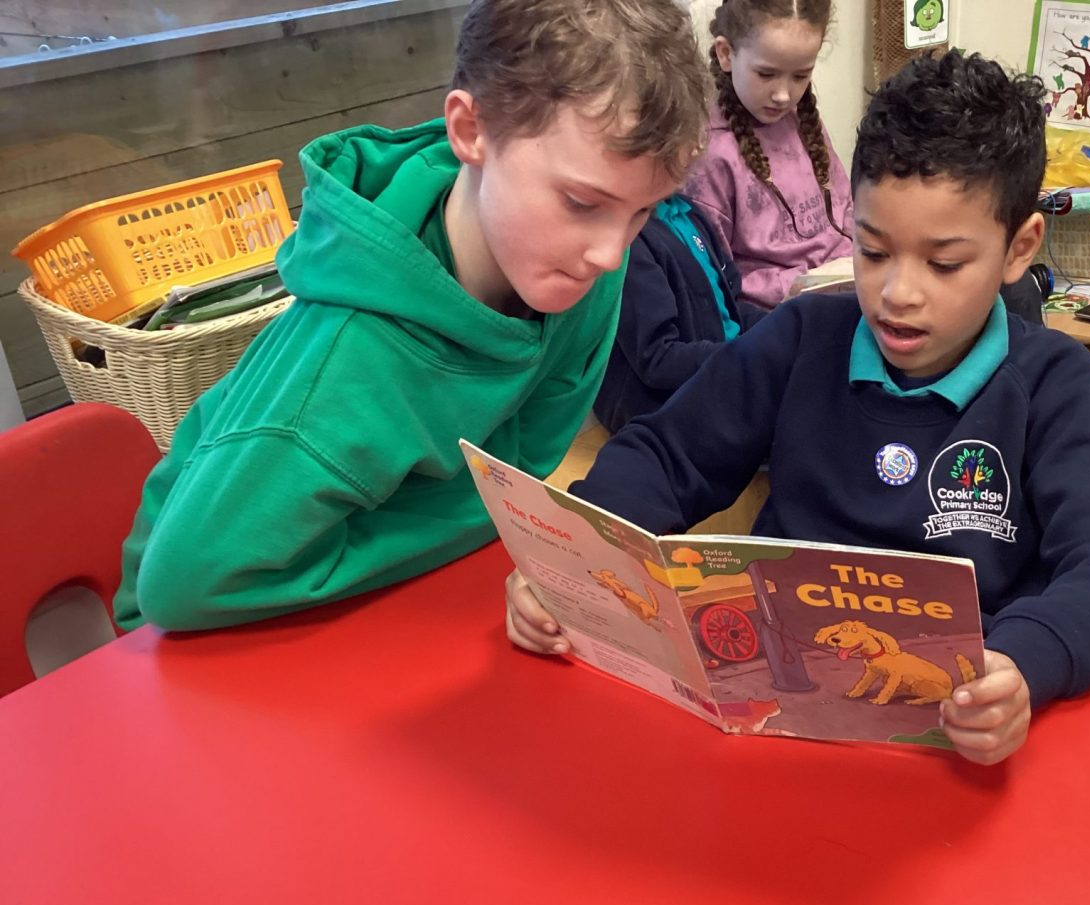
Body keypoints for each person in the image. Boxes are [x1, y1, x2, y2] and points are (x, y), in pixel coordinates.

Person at [504, 51, 1090, 766]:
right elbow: (669, 453)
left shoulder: (1056, 385)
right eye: (873, 252)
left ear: (1018, 248)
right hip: (774, 708)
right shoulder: (802, 337)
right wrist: (571, 557)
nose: (897, 293)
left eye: (944, 264)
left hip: (958, 731)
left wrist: (1024, 664)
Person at [113, 0, 708, 631]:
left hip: (393, 590)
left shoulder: (576, 273)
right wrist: (468, 520)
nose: (611, 254)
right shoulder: (344, 360)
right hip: (201, 626)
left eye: (642, 211)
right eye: (582, 203)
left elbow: (523, 464)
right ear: (471, 131)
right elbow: (179, 587)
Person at [683, 0, 853, 309]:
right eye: (766, 74)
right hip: (777, 318)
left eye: (800, 76)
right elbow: (715, 280)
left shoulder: (802, 119)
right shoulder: (710, 155)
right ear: (726, 54)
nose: (783, 95)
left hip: (848, 290)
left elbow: (847, 211)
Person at [593, 194, 768, 433]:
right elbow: (658, 360)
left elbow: (731, 309)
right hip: (667, 408)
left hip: (721, 374)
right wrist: (746, 357)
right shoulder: (630, 239)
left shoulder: (686, 210)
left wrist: (781, 327)